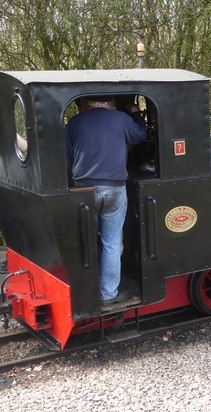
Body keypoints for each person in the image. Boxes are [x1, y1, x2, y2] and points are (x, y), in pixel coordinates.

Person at [65, 96, 147, 306]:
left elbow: (66, 156)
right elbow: (140, 135)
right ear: (110, 103)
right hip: (113, 188)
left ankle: (85, 290)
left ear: (87, 104)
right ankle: (108, 294)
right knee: (111, 242)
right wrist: (136, 113)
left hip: (82, 189)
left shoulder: (74, 122)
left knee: (86, 241)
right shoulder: (120, 119)